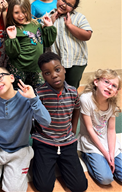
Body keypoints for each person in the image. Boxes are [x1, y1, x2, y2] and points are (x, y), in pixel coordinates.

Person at [0, 66, 51, 192]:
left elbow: (46, 121)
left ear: (11, 78)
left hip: (18, 149)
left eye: (0, 77)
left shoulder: (26, 98)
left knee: (15, 190)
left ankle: (17, 162)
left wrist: (34, 99)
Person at [32, 52, 88, 192]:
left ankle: (62, 161)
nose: (54, 75)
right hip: (44, 141)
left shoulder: (73, 92)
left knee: (80, 186)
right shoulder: (39, 93)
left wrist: (73, 129)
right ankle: (40, 159)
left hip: (66, 141)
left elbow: (76, 109)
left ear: (63, 69)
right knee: (44, 187)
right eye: (47, 73)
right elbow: (33, 116)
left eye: (57, 70)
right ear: (43, 75)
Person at [78, 68, 122, 185]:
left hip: (107, 141)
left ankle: (109, 163)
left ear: (116, 92)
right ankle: (87, 157)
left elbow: (111, 129)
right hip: (91, 141)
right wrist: (105, 154)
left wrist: (111, 154)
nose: (109, 87)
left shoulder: (112, 104)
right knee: (106, 179)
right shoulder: (86, 99)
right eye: (106, 82)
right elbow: (89, 129)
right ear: (96, 82)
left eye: (114, 86)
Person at [5, 0, 57, 90]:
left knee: (40, 92)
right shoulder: (13, 29)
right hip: (19, 69)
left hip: (36, 68)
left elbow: (47, 42)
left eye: (24, 12)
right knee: (18, 93)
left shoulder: (35, 24)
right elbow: (12, 54)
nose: (20, 15)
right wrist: (12, 38)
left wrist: (49, 26)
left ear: (28, 10)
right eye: (16, 12)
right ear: (11, 12)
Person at [50, 0, 92, 88]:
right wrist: (50, 23)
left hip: (76, 61)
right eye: (63, 1)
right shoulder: (49, 16)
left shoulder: (79, 17)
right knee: (55, 87)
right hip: (56, 62)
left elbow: (87, 35)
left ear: (74, 8)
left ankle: (71, 103)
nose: (64, 5)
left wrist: (69, 25)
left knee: (71, 88)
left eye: (69, 5)